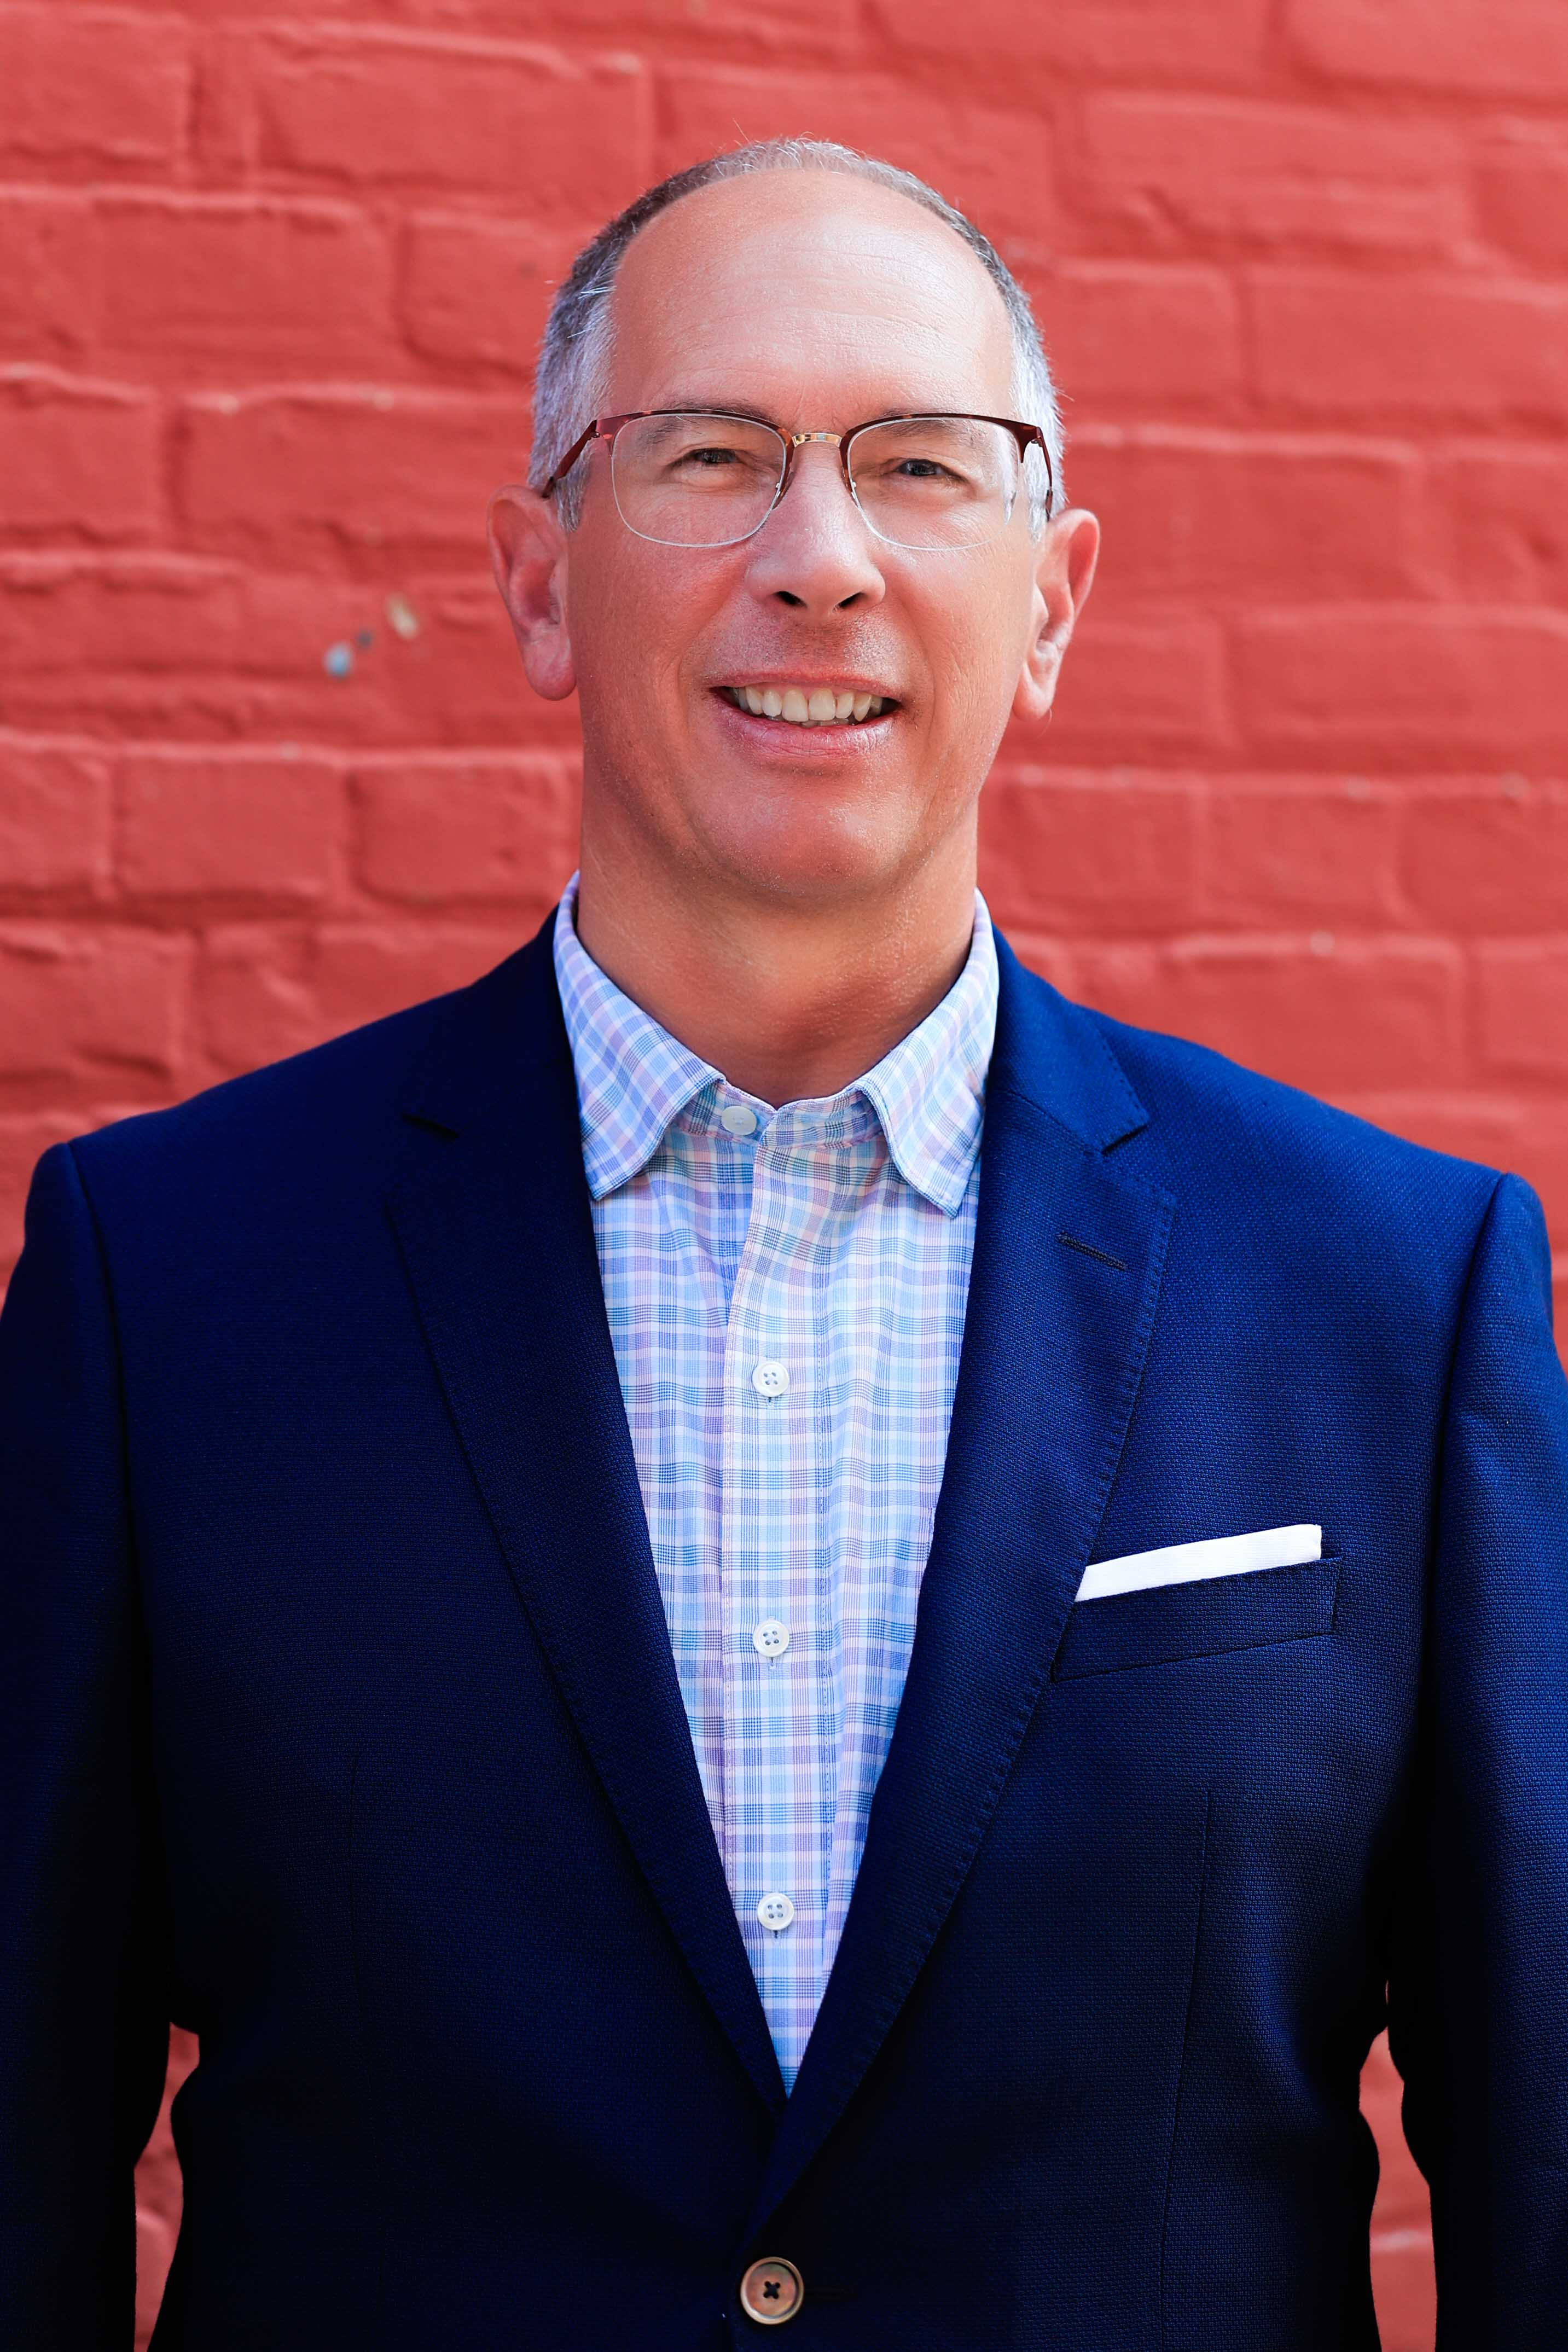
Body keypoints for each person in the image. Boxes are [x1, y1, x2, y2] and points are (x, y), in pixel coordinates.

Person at [2, 137, 1566, 2352]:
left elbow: (1545, 2157)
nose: (818, 560)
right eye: (711, 455)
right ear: (537, 584)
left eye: (924, 467)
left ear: (1054, 601)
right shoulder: (164, 1286)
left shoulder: (1390, 1300)